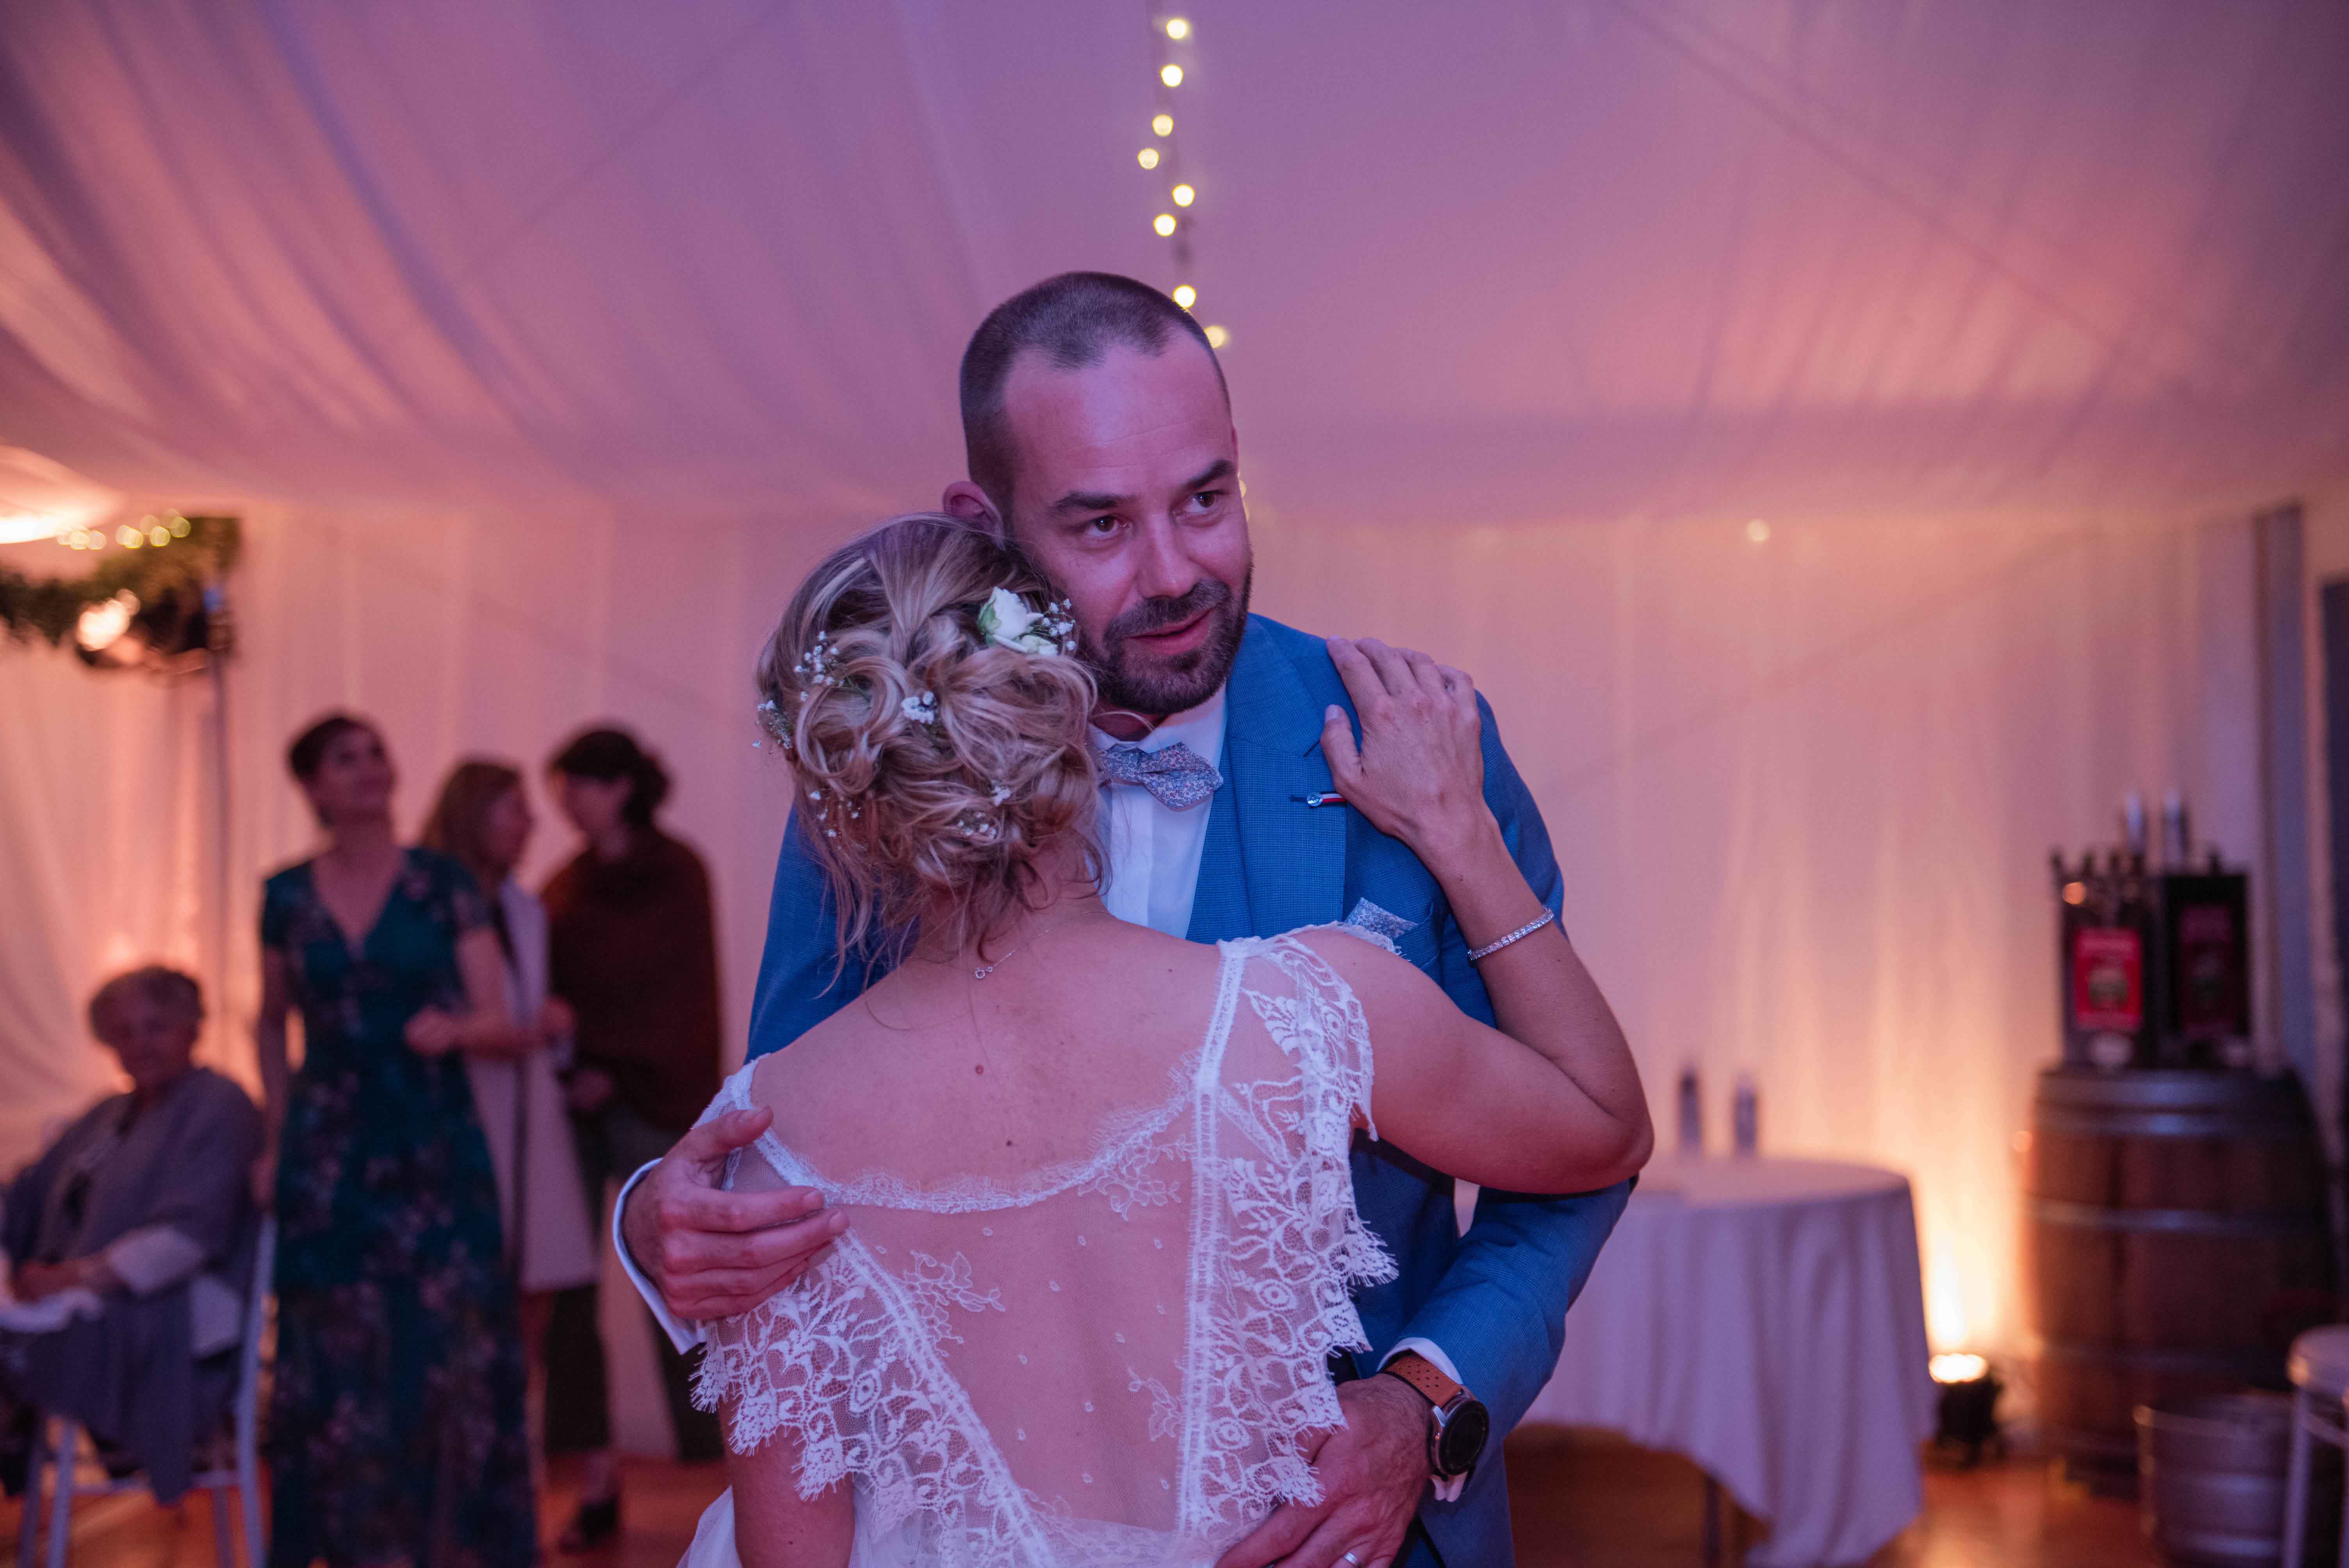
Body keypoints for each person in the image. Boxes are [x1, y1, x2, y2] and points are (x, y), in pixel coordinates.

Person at [623, 273, 1641, 1568]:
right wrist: (658, 1221)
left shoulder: (1413, 735)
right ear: (984, 525)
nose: (1175, 572)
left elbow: (1573, 1151)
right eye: (1101, 523)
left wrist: (1423, 1397)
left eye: (1206, 498)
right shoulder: (890, 772)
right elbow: (786, 1135)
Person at [255, 713, 537, 1568]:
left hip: (430, 1142)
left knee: (444, 1341)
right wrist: (275, 1135)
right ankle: (352, 1544)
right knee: (337, 1344)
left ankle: (452, 1545)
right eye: (347, 758)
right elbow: (269, 1022)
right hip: (329, 1147)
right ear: (313, 785)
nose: (370, 767)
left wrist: (458, 1029)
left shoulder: (442, 882)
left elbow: (502, 1019)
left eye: (378, 752)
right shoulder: (285, 894)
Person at [540, 726, 725, 1545]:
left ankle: (726, 1473)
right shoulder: (566, 882)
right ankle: (595, 1480)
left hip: (653, 1102)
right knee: (570, 1294)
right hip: (577, 1108)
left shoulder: (677, 872)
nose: (565, 803)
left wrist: (614, 1067)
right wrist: (572, 1061)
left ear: (619, 787)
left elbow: (683, 995)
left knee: (682, 1283)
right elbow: (547, 985)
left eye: (577, 785)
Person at [0, 967, 261, 1505]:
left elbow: (188, 1237)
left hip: (164, 1316)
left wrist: (71, 1277)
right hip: (68, 1301)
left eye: (156, 1027)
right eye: (124, 1033)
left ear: (193, 1027)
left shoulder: (219, 1106)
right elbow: (25, 1196)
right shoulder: (109, 1113)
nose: (140, 1045)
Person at [419, 761, 599, 1313]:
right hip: (459, 1106)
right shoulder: (425, 904)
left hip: (526, 1104)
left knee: (536, 1272)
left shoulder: (525, 909)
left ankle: (526, 1375)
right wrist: (505, 1033)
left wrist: (553, 1025)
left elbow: (528, 1004)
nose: (530, 824)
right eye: (516, 810)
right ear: (476, 816)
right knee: (463, 1278)